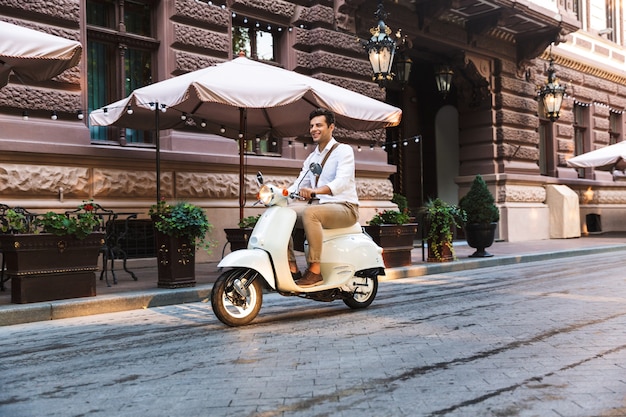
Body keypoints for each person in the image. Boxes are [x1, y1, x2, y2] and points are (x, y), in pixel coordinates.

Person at [287, 108, 360, 288]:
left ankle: (315, 271)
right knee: (284, 213)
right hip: (323, 206)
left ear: (331, 127)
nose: (314, 129)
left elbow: (341, 182)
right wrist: (281, 194)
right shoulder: (312, 157)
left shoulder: (343, 151)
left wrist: (315, 192)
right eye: (311, 126)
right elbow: (299, 183)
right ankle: (290, 266)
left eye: (319, 125)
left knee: (311, 213)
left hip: (345, 207)